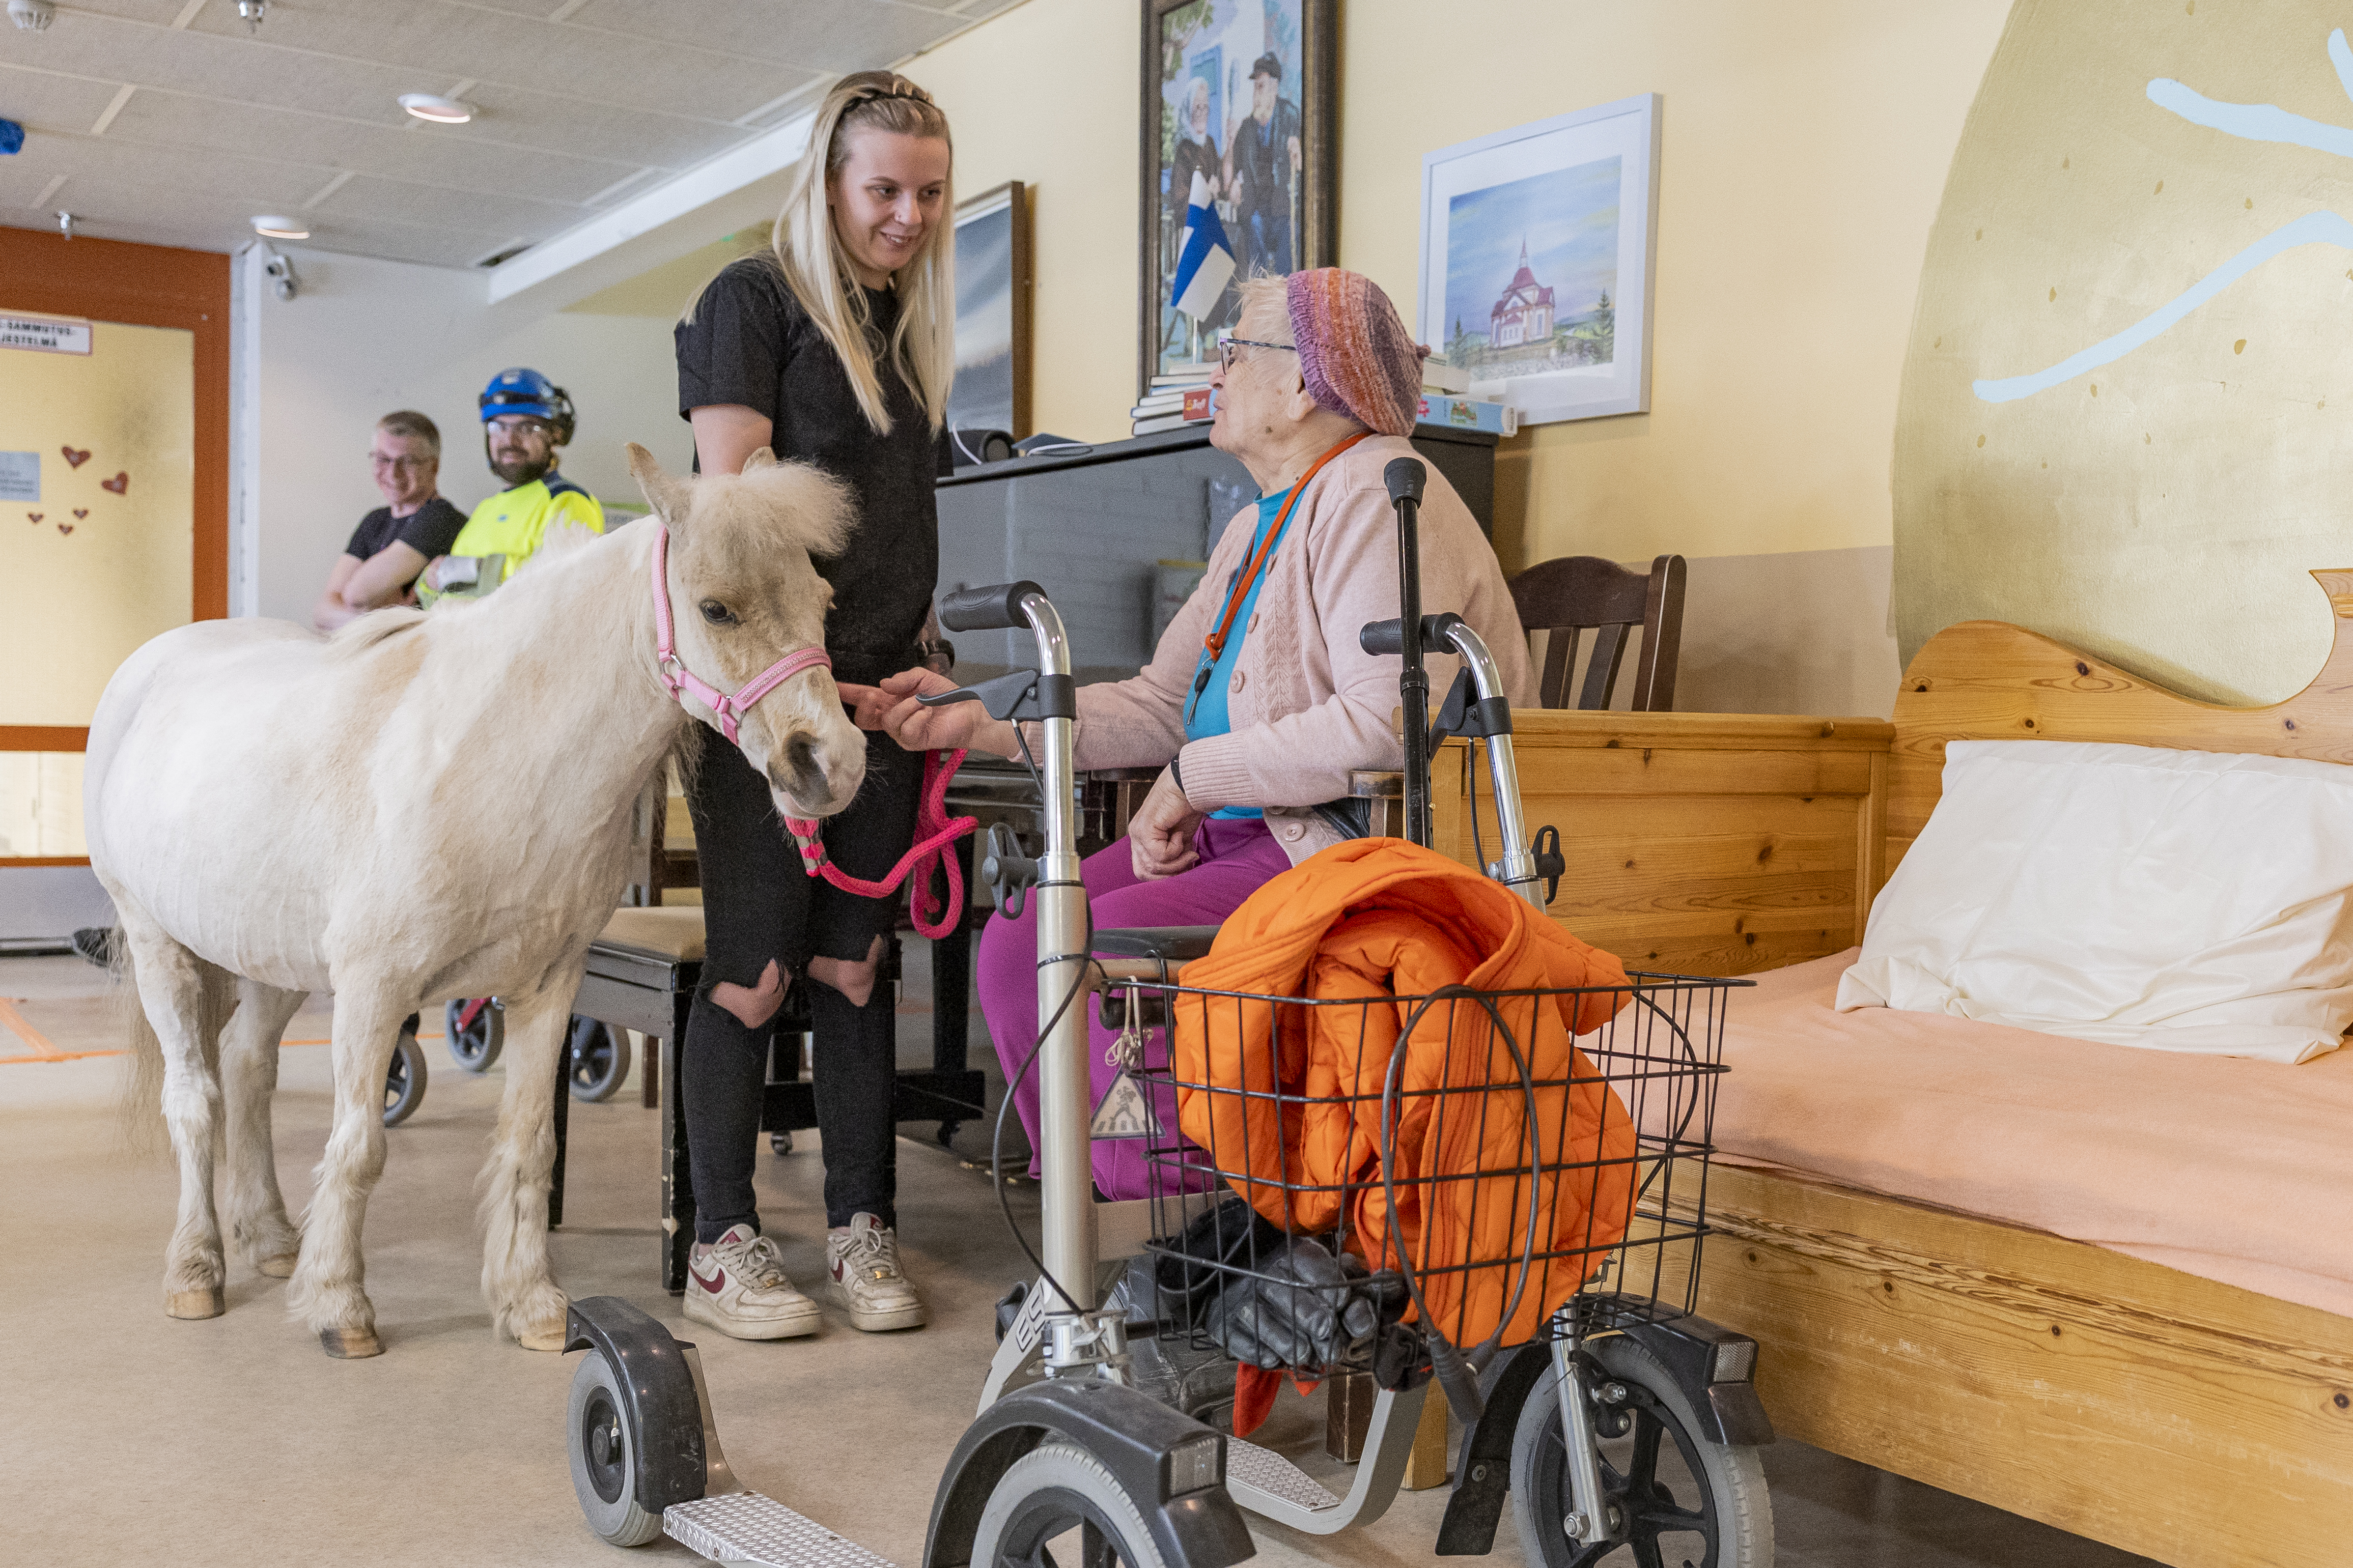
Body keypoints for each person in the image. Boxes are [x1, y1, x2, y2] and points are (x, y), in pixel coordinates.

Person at [854, 268, 1534, 1201]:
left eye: (1233, 349)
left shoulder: (1375, 490)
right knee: (1020, 943)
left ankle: (1176, 1243)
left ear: (1302, 387)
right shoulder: (1262, 521)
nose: (1212, 370)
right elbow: (1158, 704)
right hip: (1253, 837)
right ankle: (1083, 1213)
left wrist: (1190, 779)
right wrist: (979, 723)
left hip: (1339, 853)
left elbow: (1384, 727)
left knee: (1090, 958)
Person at [667, 70, 958, 1343]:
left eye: (930, 192)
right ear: (829, 183)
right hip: (775, 705)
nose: (909, 215)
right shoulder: (753, 303)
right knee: (756, 973)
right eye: (884, 189)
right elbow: (725, 530)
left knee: (852, 969)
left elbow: (895, 527)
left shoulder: (905, 322)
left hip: (886, 698)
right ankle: (722, 1245)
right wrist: (811, 681)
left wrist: (925, 660)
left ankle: (860, 1227)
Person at [419, 368, 605, 600]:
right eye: (499, 427)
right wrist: (428, 582)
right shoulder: (486, 508)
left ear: (555, 435)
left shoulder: (568, 500)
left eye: (526, 428)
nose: (509, 440)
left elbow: (565, 583)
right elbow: (440, 592)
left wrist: (471, 572)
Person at [311, 411, 467, 631]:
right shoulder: (375, 521)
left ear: (434, 466)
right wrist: (378, 623)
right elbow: (323, 611)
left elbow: (357, 594)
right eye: (383, 459)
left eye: (408, 462)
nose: (394, 474)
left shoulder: (442, 519)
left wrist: (354, 612)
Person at [1224, 52, 1303, 279]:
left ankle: (1284, 300)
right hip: (1256, 210)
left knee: (1288, 239)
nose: (1256, 95)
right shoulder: (1247, 128)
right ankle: (1258, 301)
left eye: (1261, 87)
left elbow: (1304, 168)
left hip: (1284, 208)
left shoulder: (1290, 116)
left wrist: (1298, 155)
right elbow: (1228, 178)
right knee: (1252, 229)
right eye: (1255, 88)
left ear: (1274, 90)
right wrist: (1230, 143)